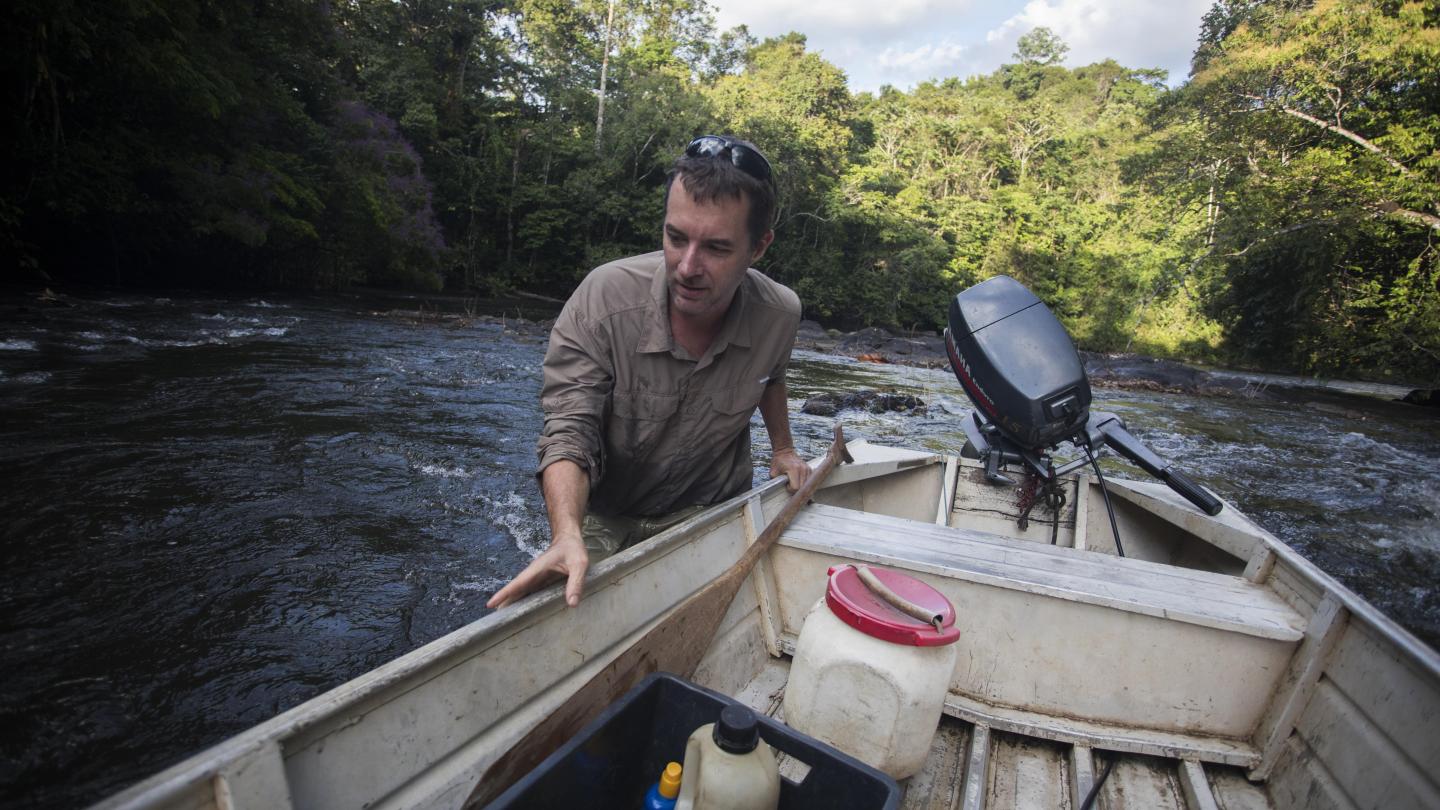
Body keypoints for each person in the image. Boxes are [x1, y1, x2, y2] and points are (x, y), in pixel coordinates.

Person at [487, 135, 810, 610]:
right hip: (608, 512)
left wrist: (783, 449)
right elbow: (568, 430)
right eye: (675, 238)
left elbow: (773, 374)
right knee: (551, 604)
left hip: (708, 511)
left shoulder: (780, 313)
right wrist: (566, 534)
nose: (688, 267)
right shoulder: (603, 299)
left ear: (759, 247)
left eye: (717, 248)